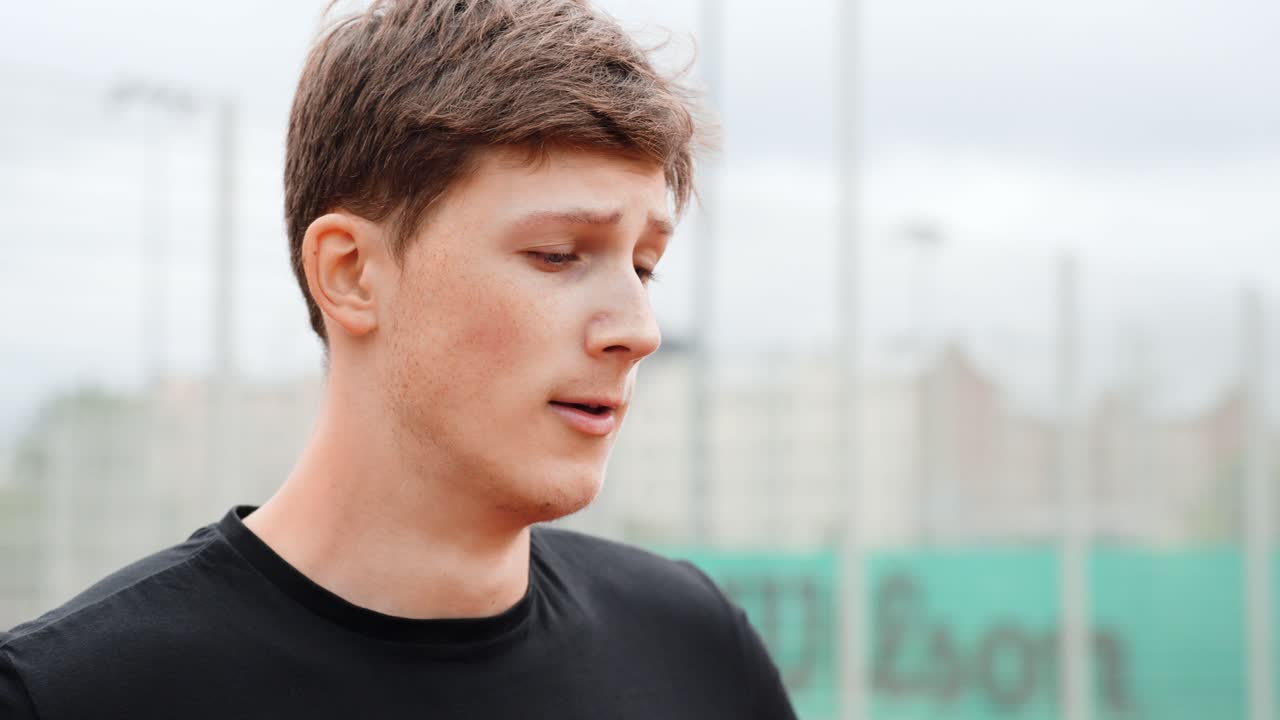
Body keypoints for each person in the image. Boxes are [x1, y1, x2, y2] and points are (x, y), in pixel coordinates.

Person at [0, 1, 798, 717]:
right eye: (559, 255)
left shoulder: (696, 652)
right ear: (350, 273)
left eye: (644, 265)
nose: (638, 328)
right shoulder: (71, 694)